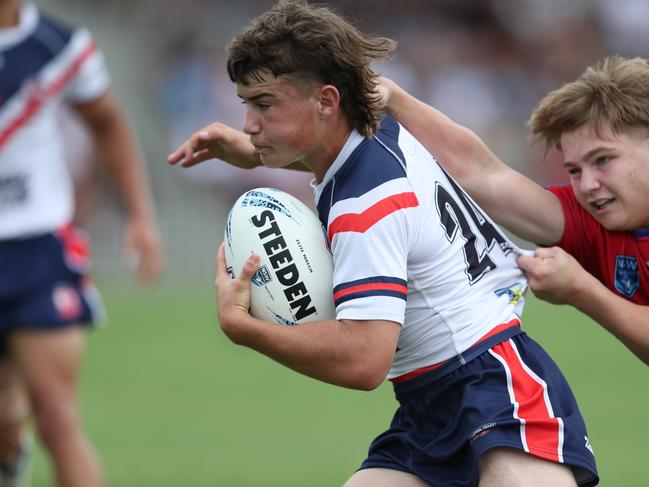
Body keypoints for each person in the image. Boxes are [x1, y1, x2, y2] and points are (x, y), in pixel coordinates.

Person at [168, 1, 598, 486]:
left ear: (327, 101)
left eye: (263, 104)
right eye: (246, 104)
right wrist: (251, 153)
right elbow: (326, 151)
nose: (249, 122)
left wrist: (245, 329)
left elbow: (365, 358)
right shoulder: (379, 129)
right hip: (431, 400)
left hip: (495, 386)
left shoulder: (365, 205)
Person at [376, 56, 649, 367]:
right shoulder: (595, 219)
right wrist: (394, 97)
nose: (587, 184)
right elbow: (483, 175)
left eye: (603, 160)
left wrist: (581, 289)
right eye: (574, 170)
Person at [0, 1, 164, 486]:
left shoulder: (60, 47)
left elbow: (108, 123)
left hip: (39, 251)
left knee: (55, 412)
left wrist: (141, 214)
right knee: (5, 426)